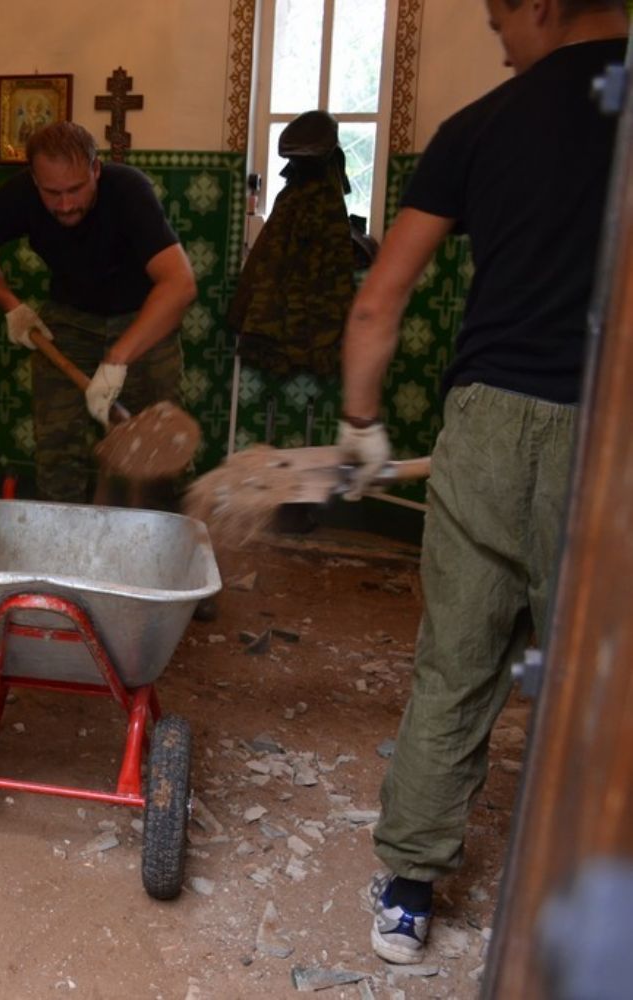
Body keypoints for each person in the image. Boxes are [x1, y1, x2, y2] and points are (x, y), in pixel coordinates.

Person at [336, 0, 628, 965]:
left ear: (540, 5)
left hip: (488, 425)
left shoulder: (482, 125)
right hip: (612, 430)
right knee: (601, 683)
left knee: (456, 662)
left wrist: (360, 427)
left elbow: (377, 301)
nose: (500, 45)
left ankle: (407, 893)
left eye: (500, 20)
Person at [0, 121, 197, 506]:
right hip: (67, 323)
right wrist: (12, 306)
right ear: (35, 180)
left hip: (142, 323)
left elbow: (180, 284)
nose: (66, 204)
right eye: (52, 193)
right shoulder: (20, 195)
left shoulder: (129, 191)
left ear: (95, 169)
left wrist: (117, 359)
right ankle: (62, 536)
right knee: (56, 449)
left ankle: (158, 536)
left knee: (157, 456)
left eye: (76, 189)